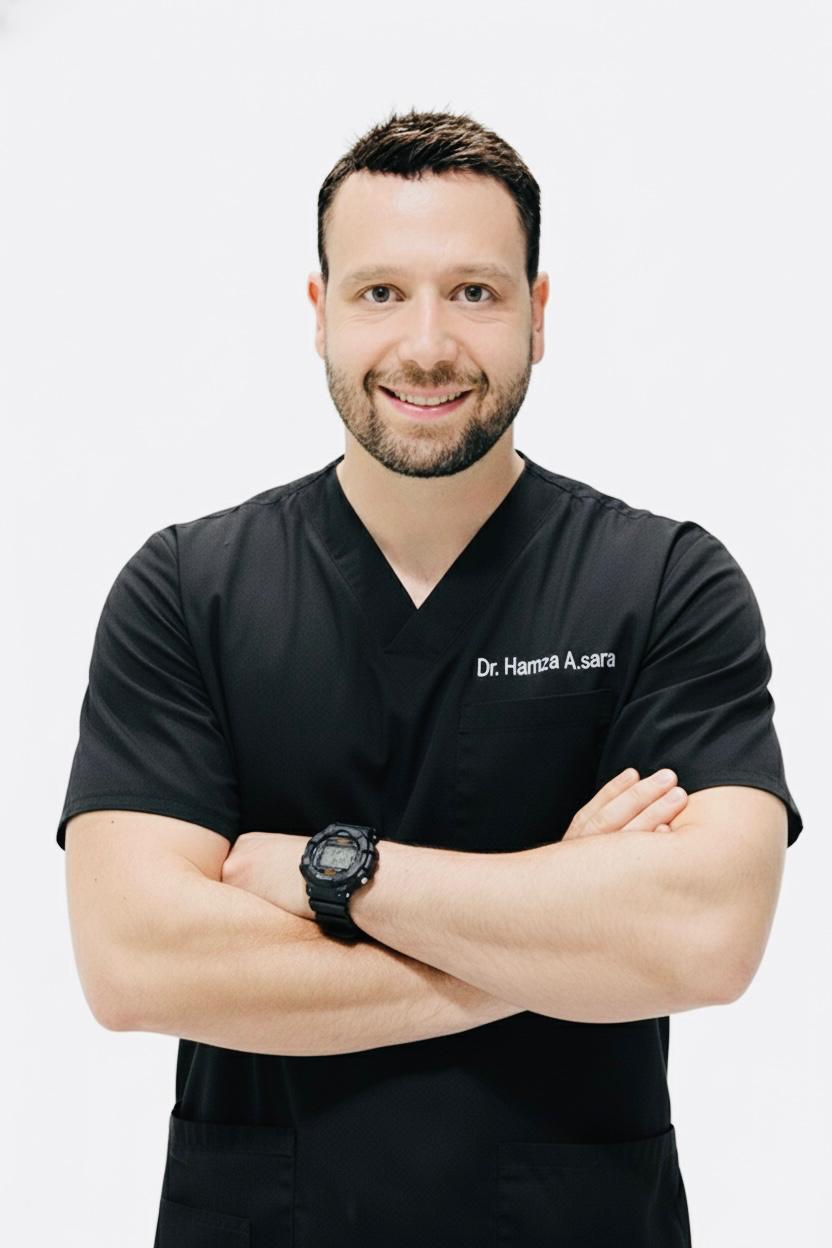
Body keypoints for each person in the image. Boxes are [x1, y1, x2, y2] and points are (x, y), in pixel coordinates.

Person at [57, 108, 802, 1248]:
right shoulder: (186, 590)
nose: (427, 344)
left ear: (538, 315)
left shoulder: (663, 584)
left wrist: (326, 873)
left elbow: (702, 939)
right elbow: (135, 963)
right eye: (380, 292)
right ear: (319, 314)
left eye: (474, 292)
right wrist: (561, 932)